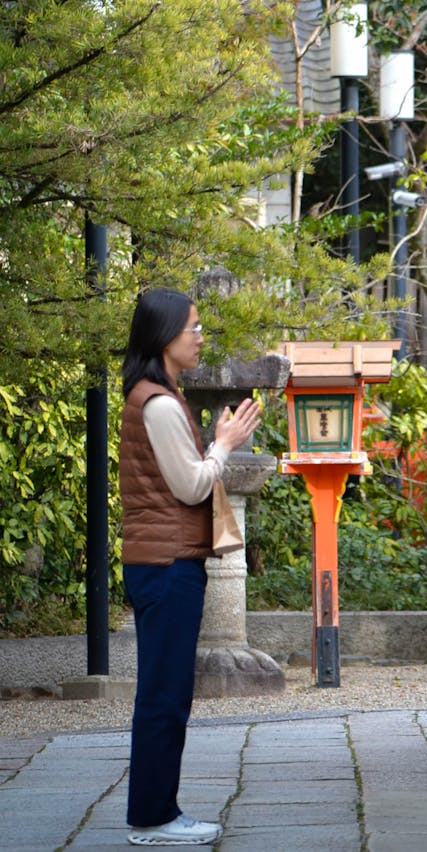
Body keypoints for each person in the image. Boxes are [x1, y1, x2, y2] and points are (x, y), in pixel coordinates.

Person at [119, 288, 261, 847]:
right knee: (164, 693)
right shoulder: (156, 402)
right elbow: (192, 484)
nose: (201, 337)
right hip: (167, 563)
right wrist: (224, 444)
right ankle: (154, 818)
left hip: (165, 561)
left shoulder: (158, 395)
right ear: (164, 336)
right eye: (193, 328)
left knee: (166, 690)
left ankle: (156, 811)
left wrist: (219, 442)